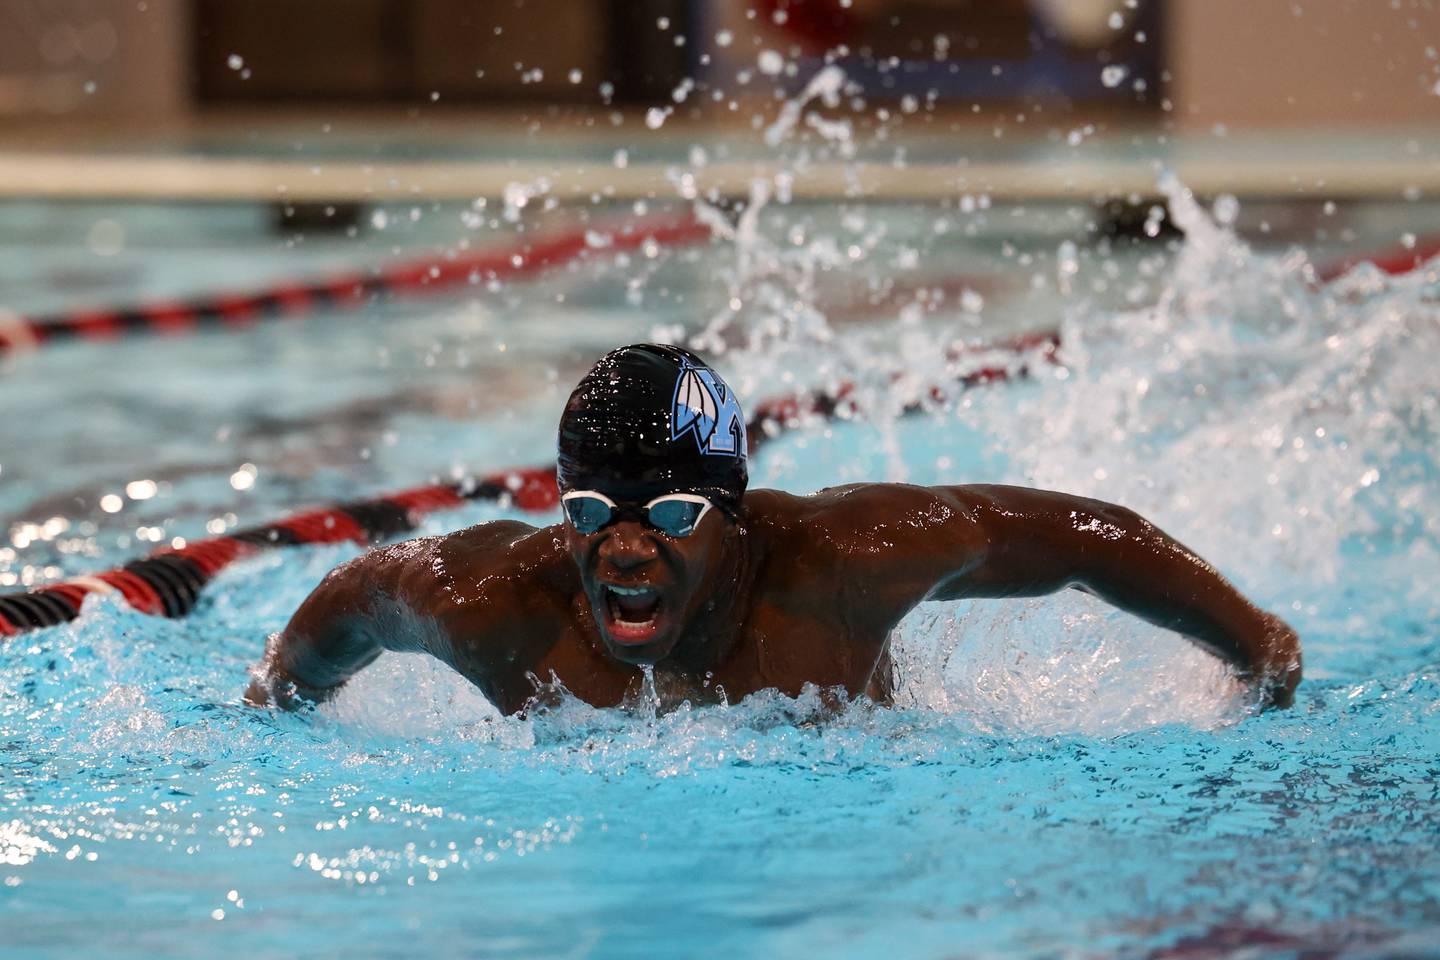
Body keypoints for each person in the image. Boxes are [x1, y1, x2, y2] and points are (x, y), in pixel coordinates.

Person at [245, 343, 1301, 714]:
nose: (620, 547)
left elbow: (1083, 536)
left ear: (733, 515)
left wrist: (1255, 645)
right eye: (589, 515)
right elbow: (354, 599)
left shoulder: (843, 566)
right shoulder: (493, 608)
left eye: (665, 514)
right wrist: (269, 708)